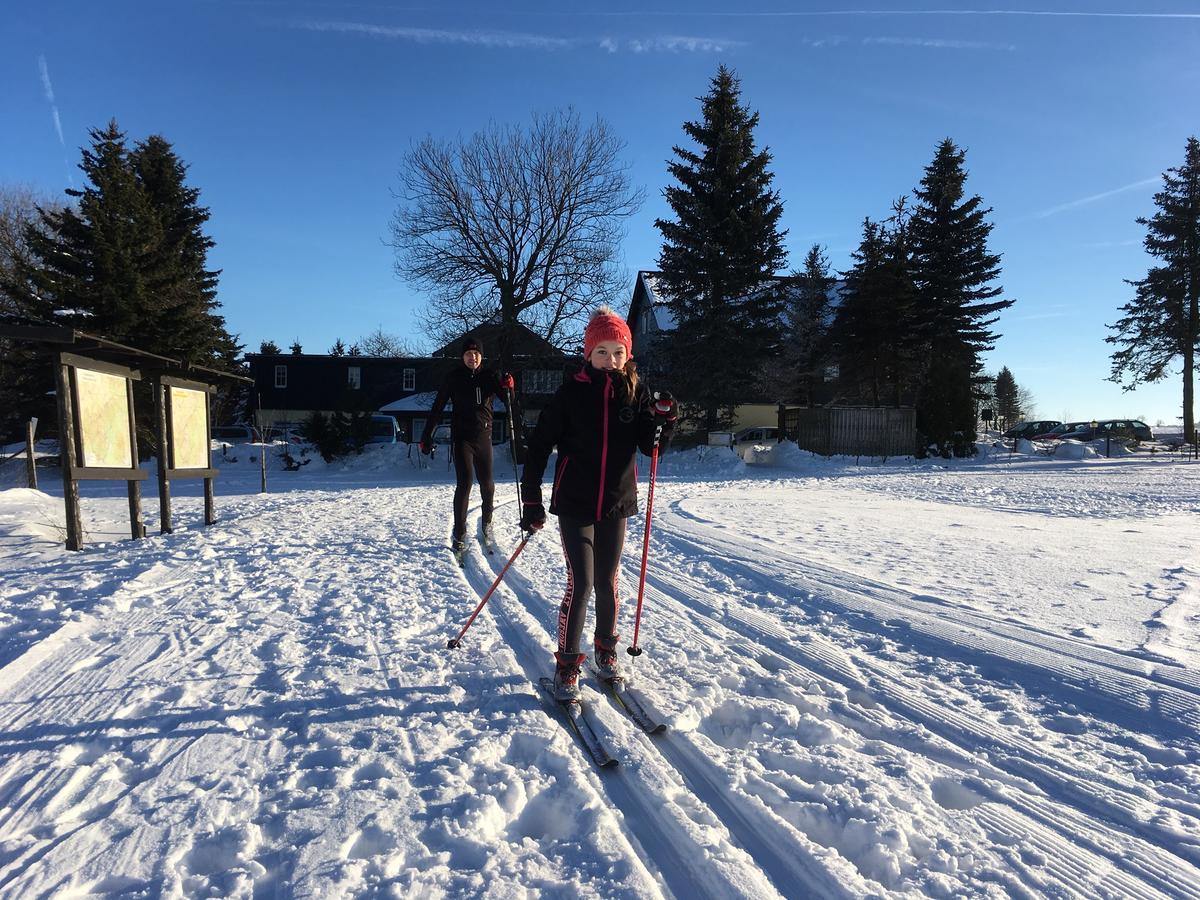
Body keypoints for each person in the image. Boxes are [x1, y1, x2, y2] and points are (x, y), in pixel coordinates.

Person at [519, 306, 677, 700]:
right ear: (588, 353)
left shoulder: (635, 391)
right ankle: (568, 664)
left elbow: (648, 444)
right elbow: (538, 447)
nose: (611, 359)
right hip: (574, 501)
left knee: (607, 582)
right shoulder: (571, 391)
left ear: (628, 355)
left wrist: (664, 420)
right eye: (602, 351)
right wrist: (532, 500)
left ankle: (606, 651)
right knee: (583, 582)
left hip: (617, 502)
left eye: (618, 352)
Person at [420, 335, 518, 558]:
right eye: (468, 354)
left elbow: (509, 401)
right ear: (462, 356)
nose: (472, 357)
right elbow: (437, 407)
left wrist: (509, 386)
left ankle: (487, 523)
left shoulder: (489, 376)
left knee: (488, 485)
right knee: (464, 484)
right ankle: (460, 533)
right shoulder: (454, 378)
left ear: (481, 356)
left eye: (476, 353)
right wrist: (427, 435)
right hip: (462, 439)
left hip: (483, 437)